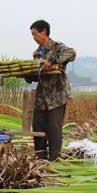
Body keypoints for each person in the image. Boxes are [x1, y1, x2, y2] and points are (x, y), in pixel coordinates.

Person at [28, 20, 76, 161]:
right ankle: (40, 160)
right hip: (42, 96)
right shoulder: (36, 54)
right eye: (32, 35)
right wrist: (29, 76)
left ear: (44, 32)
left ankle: (55, 160)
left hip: (57, 96)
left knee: (54, 129)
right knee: (38, 127)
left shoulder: (57, 47)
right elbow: (38, 75)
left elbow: (72, 53)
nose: (34, 37)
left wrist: (53, 62)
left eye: (35, 34)